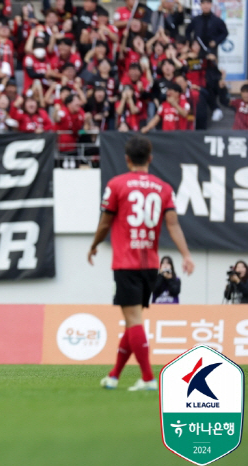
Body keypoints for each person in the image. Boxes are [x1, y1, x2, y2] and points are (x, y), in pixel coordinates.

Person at [88, 136, 194, 391]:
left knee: (133, 320)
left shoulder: (116, 184)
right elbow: (173, 224)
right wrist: (186, 254)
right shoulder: (163, 188)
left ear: (126, 159)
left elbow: (105, 223)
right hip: (150, 265)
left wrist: (93, 245)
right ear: (150, 158)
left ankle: (148, 379)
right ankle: (113, 376)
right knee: (132, 319)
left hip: (126, 262)